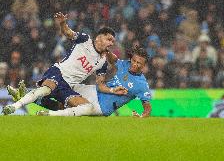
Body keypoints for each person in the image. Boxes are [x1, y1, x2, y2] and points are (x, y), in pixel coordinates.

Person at [2, 12, 126, 116]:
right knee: (45, 90)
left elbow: (100, 84)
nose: (111, 43)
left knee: (87, 107)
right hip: (59, 72)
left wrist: (112, 90)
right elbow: (68, 33)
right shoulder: (85, 39)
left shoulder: (103, 62)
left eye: (113, 41)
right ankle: (14, 107)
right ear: (99, 37)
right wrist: (62, 23)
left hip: (69, 86)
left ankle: (32, 101)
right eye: (109, 39)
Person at [8, 46, 152, 117]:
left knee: (63, 106)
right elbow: (113, 59)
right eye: (134, 60)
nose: (135, 64)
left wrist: (141, 116)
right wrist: (104, 47)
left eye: (139, 63)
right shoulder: (125, 64)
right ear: (131, 59)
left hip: (102, 107)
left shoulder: (141, 84)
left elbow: (147, 107)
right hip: (95, 90)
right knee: (66, 86)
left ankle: (36, 104)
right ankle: (25, 93)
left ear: (144, 65)